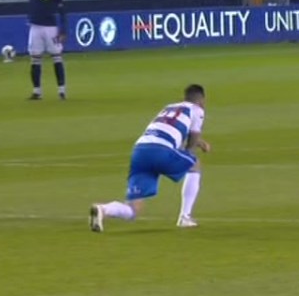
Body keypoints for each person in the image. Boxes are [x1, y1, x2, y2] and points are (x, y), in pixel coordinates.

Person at [89, 84, 210, 231]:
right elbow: (191, 143)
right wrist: (192, 148)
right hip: (161, 150)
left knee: (134, 209)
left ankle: (103, 209)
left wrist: (199, 143)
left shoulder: (169, 108)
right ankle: (185, 217)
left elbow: (167, 129)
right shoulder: (197, 110)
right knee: (194, 164)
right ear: (201, 99)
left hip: (140, 151)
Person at [16, 0, 67, 100]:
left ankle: (61, 90)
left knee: (56, 56)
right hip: (35, 26)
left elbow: (62, 11)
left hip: (50, 27)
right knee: (35, 58)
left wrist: (63, 30)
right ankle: (37, 91)